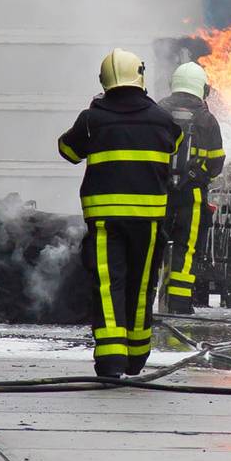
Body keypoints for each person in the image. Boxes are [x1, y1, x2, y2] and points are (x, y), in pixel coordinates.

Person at [58, 49, 180, 378]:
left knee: (109, 287)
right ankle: (137, 357)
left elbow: (67, 151)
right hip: (149, 223)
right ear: (139, 77)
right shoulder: (162, 119)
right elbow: (176, 143)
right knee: (141, 287)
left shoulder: (91, 120)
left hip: (105, 222)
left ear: (104, 81)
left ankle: (111, 362)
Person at [157, 62, 225, 315]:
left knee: (152, 244)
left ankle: (143, 300)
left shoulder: (158, 112)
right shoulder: (207, 120)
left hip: (158, 193)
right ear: (203, 89)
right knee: (187, 250)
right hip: (193, 197)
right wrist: (196, 175)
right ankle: (179, 304)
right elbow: (217, 163)